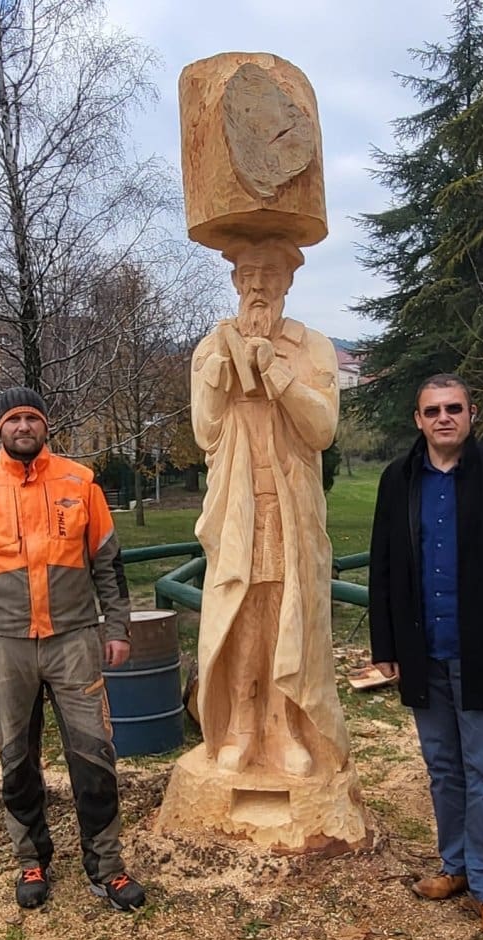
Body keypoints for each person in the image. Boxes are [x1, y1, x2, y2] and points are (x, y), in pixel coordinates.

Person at [0, 386, 145, 912]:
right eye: (14, 419)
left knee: (94, 754)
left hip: (74, 639)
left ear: (46, 426)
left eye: (33, 417)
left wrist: (116, 628)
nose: (24, 426)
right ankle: (31, 859)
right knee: (16, 759)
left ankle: (107, 866)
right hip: (6, 644)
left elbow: (108, 565)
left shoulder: (81, 482)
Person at [368, 374, 483, 940]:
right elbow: (383, 567)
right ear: (417, 419)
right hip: (425, 651)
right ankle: (456, 868)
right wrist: (387, 647)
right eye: (432, 410)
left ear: (472, 414)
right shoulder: (399, 480)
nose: (443, 418)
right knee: (443, 768)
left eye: (454, 408)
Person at [190, 235, 349, 778]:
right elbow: (205, 433)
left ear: (288, 282)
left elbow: (322, 429)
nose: (258, 287)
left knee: (287, 612)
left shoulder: (312, 347)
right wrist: (218, 374)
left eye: (270, 275)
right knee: (243, 614)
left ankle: (283, 728)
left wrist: (276, 374)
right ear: (235, 281)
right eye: (248, 275)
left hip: (290, 506)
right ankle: (241, 725)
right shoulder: (211, 347)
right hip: (236, 504)